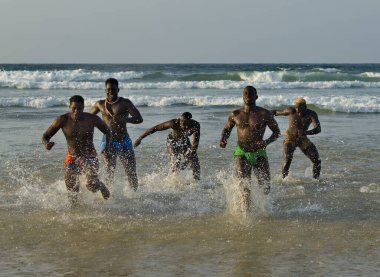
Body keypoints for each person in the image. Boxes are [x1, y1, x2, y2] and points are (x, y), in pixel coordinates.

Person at [220, 86, 280, 212]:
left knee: (265, 185)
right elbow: (227, 129)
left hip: (259, 153)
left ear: (256, 96)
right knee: (244, 185)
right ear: (243, 97)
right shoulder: (235, 114)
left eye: (251, 94)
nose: (248, 96)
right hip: (241, 152)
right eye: (245, 94)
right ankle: (246, 212)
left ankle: (265, 209)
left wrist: (266, 142)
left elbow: (276, 132)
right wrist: (223, 139)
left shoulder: (264, 114)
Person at [42, 95, 111, 204]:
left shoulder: (92, 119)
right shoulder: (62, 120)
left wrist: (107, 148)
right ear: (69, 107)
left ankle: (101, 186)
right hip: (72, 157)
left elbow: (107, 131)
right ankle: (76, 214)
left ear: (83, 107)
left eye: (79, 108)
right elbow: (46, 136)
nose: (76, 111)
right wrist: (46, 144)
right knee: (72, 191)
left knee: (91, 185)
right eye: (74, 108)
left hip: (90, 156)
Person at [91, 78, 143, 191]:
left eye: (113, 89)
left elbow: (139, 119)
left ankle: (134, 196)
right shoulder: (99, 104)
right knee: (110, 171)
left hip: (125, 141)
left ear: (118, 89)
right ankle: (108, 198)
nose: (111, 92)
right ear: (105, 90)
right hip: (109, 142)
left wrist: (125, 119)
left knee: (131, 171)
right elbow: (88, 119)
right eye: (108, 90)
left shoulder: (125, 103)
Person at [134, 112, 201, 180]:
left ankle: (197, 181)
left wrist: (189, 157)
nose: (182, 125)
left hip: (185, 141)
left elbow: (195, 143)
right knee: (176, 160)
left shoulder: (195, 125)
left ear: (190, 121)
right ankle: (173, 180)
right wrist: (140, 138)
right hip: (172, 141)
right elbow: (155, 128)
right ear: (179, 120)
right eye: (181, 122)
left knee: (194, 159)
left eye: (185, 124)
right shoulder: (173, 123)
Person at [272, 98, 321, 179]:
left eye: (300, 108)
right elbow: (276, 112)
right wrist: (265, 114)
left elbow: (318, 129)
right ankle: (284, 180)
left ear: (305, 107)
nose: (298, 110)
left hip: (303, 139)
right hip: (289, 138)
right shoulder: (292, 111)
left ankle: (316, 180)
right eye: (297, 107)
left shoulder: (311, 114)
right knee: (287, 159)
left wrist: (306, 132)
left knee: (317, 161)